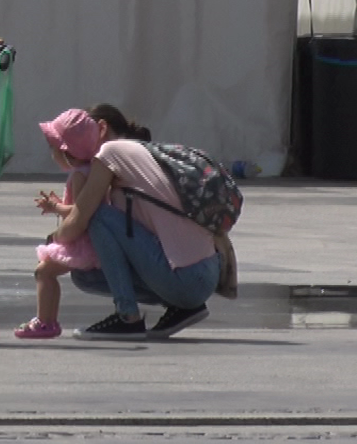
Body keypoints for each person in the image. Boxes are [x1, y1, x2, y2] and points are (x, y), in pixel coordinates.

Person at [52, 103, 220, 340]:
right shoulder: (144, 151)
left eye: (84, 134)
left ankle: (127, 317)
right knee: (85, 275)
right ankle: (183, 306)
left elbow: (81, 218)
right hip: (206, 273)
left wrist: (53, 240)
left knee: (98, 215)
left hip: (187, 278)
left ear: (101, 128)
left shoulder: (110, 152)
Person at [14, 109, 102, 339]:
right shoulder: (86, 171)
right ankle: (47, 320)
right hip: (81, 239)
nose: (51, 153)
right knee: (45, 272)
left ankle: (46, 321)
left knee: (43, 271)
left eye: (53, 148)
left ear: (67, 151)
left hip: (80, 242)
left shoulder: (81, 175)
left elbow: (80, 210)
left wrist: (55, 208)